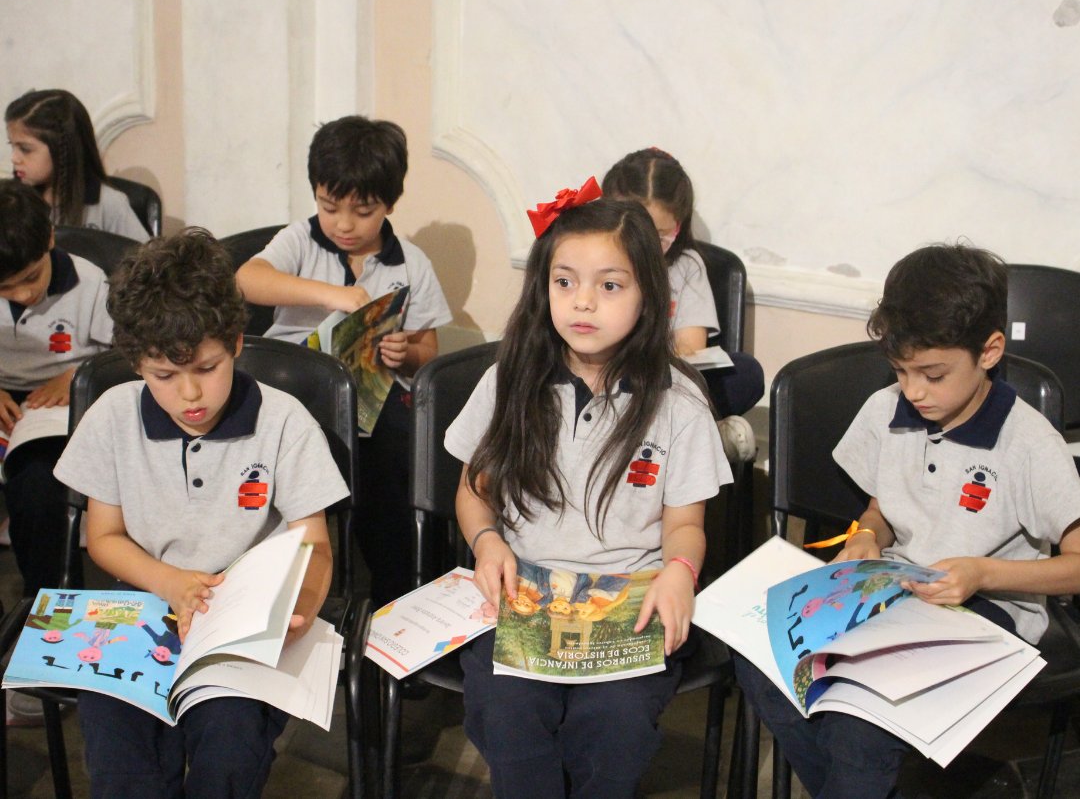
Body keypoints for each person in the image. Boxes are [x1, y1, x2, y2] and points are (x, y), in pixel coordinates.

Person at [734, 244, 1080, 799]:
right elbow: (882, 508)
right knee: (762, 663)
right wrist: (868, 535)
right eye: (901, 371)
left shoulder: (1030, 443)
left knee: (859, 727)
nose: (914, 391)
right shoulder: (885, 409)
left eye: (933, 374)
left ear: (990, 351)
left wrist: (983, 573)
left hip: (987, 609)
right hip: (895, 590)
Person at [445, 190, 731, 798]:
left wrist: (680, 572)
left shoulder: (679, 401)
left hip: (629, 601)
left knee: (615, 727)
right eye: (565, 281)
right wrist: (487, 541)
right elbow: (474, 491)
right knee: (507, 714)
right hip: (521, 593)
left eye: (610, 285)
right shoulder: (509, 379)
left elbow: (685, 524)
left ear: (649, 295)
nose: (582, 301)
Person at [53, 229, 349, 797]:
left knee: (230, 749)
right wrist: (170, 583)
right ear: (136, 363)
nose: (190, 394)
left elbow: (313, 542)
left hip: (243, 623)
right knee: (119, 758)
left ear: (236, 344)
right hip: (143, 604)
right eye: (164, 376)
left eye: (207, 368)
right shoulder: (113, 416)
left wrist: (300, 608)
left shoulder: (283, 421)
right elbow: (104, 536)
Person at [236, 114, 451, 605]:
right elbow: (247, 279)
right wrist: (332, 294)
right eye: (329, 207)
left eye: (363, 211)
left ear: (390, 204)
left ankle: (396, 596)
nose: (344, 225)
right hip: (293, 393)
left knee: (395, 464)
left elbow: (428, 351)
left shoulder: (410, 262)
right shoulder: (300, 239)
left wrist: (405, 352)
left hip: (370, 404)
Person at [602, 147, 764, 459]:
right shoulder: (595, 259)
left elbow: (690, 346)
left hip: (662, 380)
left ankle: (681, 437)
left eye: (660, 234)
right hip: (606, 375)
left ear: (678, 225)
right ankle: (707, 440)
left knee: (745, 373)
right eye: (635, 231)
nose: (646, 244)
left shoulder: (685, 266)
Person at [0, 179, 112, 595]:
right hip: (6, 398)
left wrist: (77, 375)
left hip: (62, 400)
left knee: (41, 486)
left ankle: (48, 601)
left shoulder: (90, 282)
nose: (24, 294)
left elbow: (126, 353)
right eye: (5, 289)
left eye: (31, 277)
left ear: (49, 238)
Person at [6, 89, 150, 241]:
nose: (14, 158)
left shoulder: (109, 205)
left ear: (64, 150)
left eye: (25, 149)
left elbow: (146, 255)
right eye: (12, 146)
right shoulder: (12, 202)